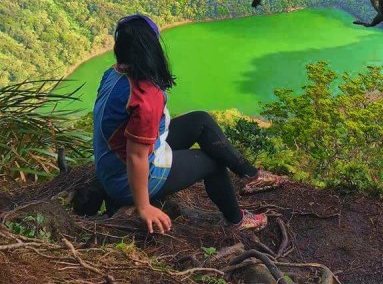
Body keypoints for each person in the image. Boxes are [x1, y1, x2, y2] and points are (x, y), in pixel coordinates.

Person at [92, 14, 286, 234]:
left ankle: (251, 176)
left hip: (111, 164)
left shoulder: (113, 73)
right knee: (213, 162)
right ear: (152, 49)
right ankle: (237, 220)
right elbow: (136, 156)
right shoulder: (144, 96)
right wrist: (143, 206)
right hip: (125, 179)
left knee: (200, 120)